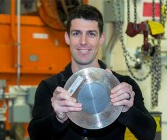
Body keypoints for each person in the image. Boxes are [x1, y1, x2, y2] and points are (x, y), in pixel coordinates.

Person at [28, 4, 156, 140]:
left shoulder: (122, 86)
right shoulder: (51, 87)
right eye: (76, 33)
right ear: (67, 37)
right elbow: (35, 135)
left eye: (91, 34)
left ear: (101, 38)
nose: (83, 41)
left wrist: (127, 110)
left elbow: (148, 134)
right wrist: (58, 118)